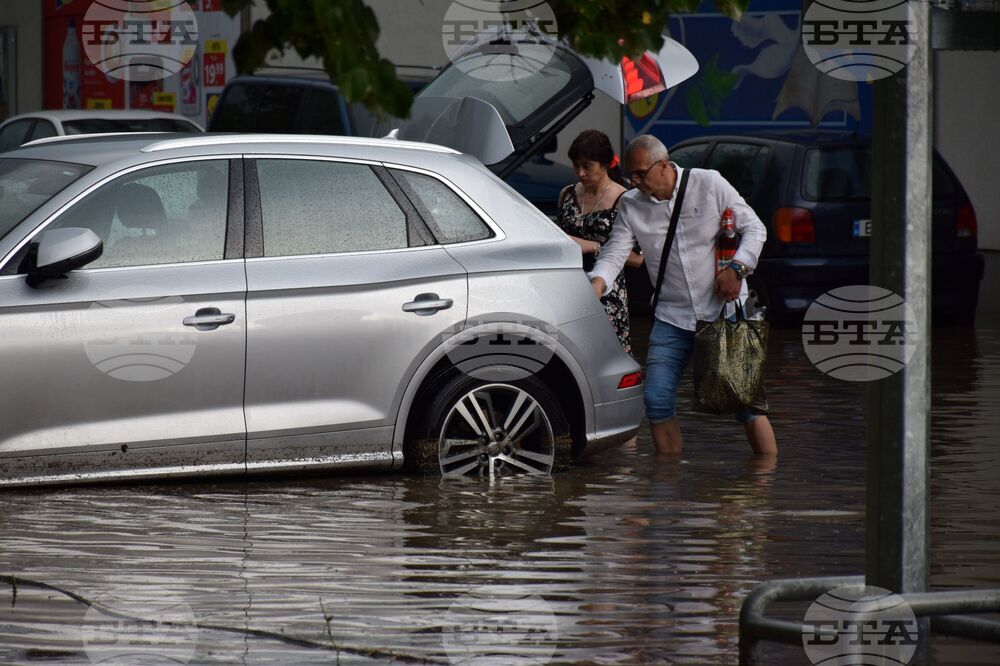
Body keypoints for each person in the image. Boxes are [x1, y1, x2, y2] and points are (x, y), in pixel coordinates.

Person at [588, 135, 777, 457]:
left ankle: (766, 479)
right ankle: (668, 485)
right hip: (671, 317)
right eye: (631, 176)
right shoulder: (632, 204)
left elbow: (755, 229)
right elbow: (615, 252)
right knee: (657, 400)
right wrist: (596, 283)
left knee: (745, 401)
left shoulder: (709, 184)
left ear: (663, 165)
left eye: (640, 174)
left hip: (724, 312)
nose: (634, 182)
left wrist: (737, 268)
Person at [556, 130, 643, 354]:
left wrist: (593, 246)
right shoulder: (566, 194)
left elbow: (638, 258)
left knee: (607, 355)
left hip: (608, 292)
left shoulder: (625, 199)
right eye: (576, 166)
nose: (581, 173)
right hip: (567, 285)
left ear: (605, 163)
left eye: (587, 166)